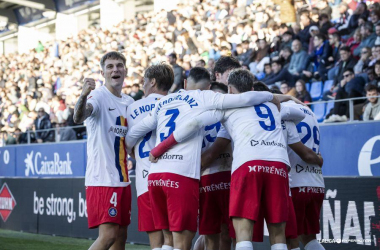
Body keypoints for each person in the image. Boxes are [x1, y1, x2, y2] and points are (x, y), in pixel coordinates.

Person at [126, 67, 280, 250]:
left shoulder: (165, 100)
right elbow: (244, 98)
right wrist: (270, 96)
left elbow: (133, 133)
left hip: (155, 176)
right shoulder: (205, 97)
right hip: (182, 174)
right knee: (183, 242)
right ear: (208, 86)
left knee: (167, 241)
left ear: (184, 83)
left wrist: (134, 153)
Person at [73, 51, 134, 250]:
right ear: (102, 72)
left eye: (119, 65)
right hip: (102, 179)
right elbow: (79, 117)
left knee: (121, 237)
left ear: (125, 70)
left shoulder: (130, 102)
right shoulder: (97, 96)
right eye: (110, 66)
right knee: (108, 236)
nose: (115, 69)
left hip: (123, 179)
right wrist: (82, 95)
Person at [126, 64, 174, 250]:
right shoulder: (178, 102)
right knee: (175, 239)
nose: (143, 85)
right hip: (173, 174)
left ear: (152, 81)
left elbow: (128, 146)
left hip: (146, 178)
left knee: (156, 242)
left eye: (144, 80)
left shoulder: (133, 107)